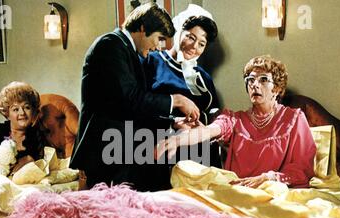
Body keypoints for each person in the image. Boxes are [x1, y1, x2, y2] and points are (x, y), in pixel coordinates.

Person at [70, 3, 201, 191]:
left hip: (119, 150)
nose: (158, 47)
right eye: (159, 38)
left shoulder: (126, 50)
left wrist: (172, 122)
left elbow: (132, 107)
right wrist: (178, 100)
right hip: (104, 153)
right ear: (142, 28)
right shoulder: (109, 45)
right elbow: (131, 98)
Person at [156, 55, 317, 188]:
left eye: (263, 80)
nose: (255, 85)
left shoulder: (293, 118)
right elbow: (209, 131)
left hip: (275, 190)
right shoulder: (234, 119)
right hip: (237, 190)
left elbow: (302, 169)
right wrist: (177, 140)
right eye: (251, 80)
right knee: (183, 172)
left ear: (277, 88)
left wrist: (268, 178)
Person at [142, 5, 221, 188]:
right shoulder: (153, 61)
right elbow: (139, 103)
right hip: (155, 139)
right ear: (178, 32)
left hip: (195, 146)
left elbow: (213, 113)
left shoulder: (203, 78)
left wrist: (201, 125)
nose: (194, 47)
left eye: (201, 44)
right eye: (190, 37)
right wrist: (172, 122)